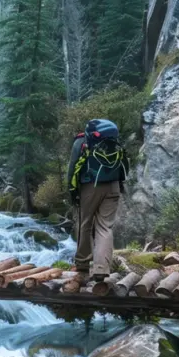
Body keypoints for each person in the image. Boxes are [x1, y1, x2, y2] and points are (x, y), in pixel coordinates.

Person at [66, 119, 129, 281]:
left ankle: (82, 264)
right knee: (105, 227)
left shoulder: (81, 142)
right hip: (113, 186)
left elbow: (72, 168)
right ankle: (101, 268)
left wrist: (72, 191)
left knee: (85, 223)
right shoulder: (114, 142)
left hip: (90, 186)